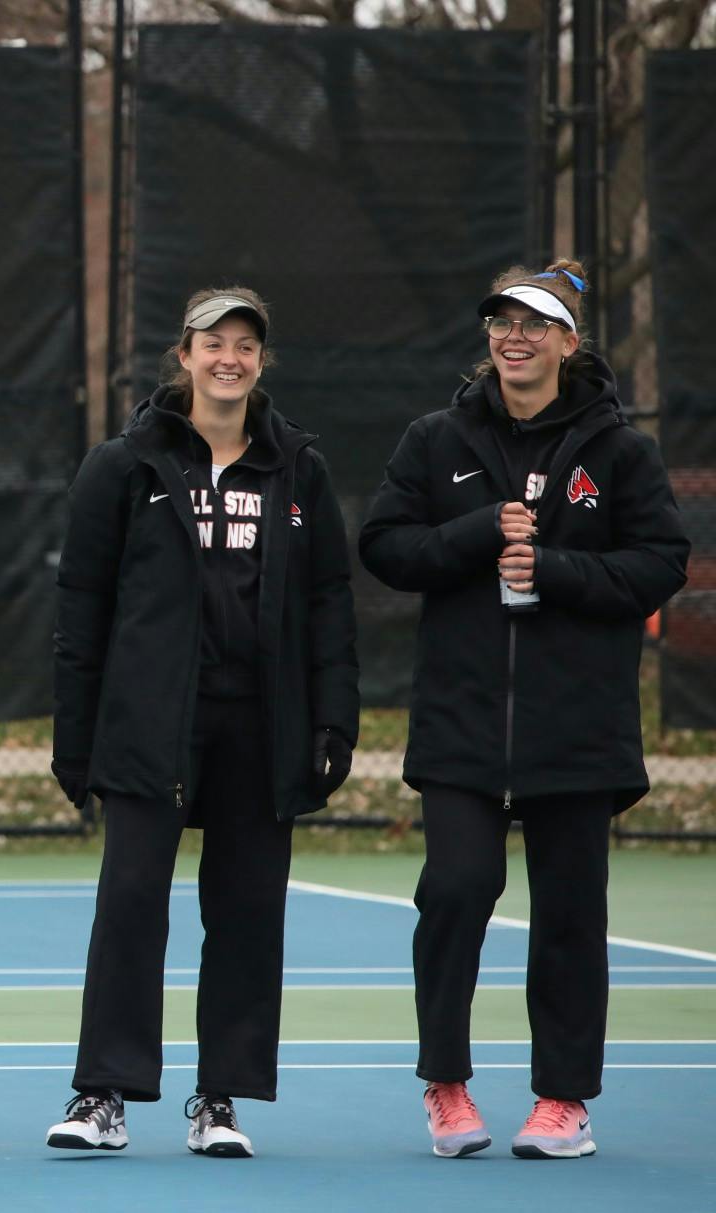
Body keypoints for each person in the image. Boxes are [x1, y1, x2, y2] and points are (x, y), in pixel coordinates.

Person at [360, 260, 687, 1160]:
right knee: (457, 892)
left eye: (537, 323)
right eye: (503, 320)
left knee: (572, 915)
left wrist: (557, 570)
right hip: (462, 726)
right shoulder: (436, 439)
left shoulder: (622, 451)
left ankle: (562, 1101)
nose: (516, 336)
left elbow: (661, 564)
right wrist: (474, 537)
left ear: (569, 342)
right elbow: (383, 545)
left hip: (578, 731)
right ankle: (447, 1084)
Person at [47, 288, 360, 1158]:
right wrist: (76, 736)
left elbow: (330, 603)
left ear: (262, 361)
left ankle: (219, 1098)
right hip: (152, 723)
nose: (230, 357)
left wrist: (334, 719)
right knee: (132, 904)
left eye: (246, 344)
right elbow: (82, 608)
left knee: (248, 912)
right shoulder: (124, 464)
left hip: (261, 729)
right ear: (182, 356)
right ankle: (100, 1093)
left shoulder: (298, 468)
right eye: (213, 342)